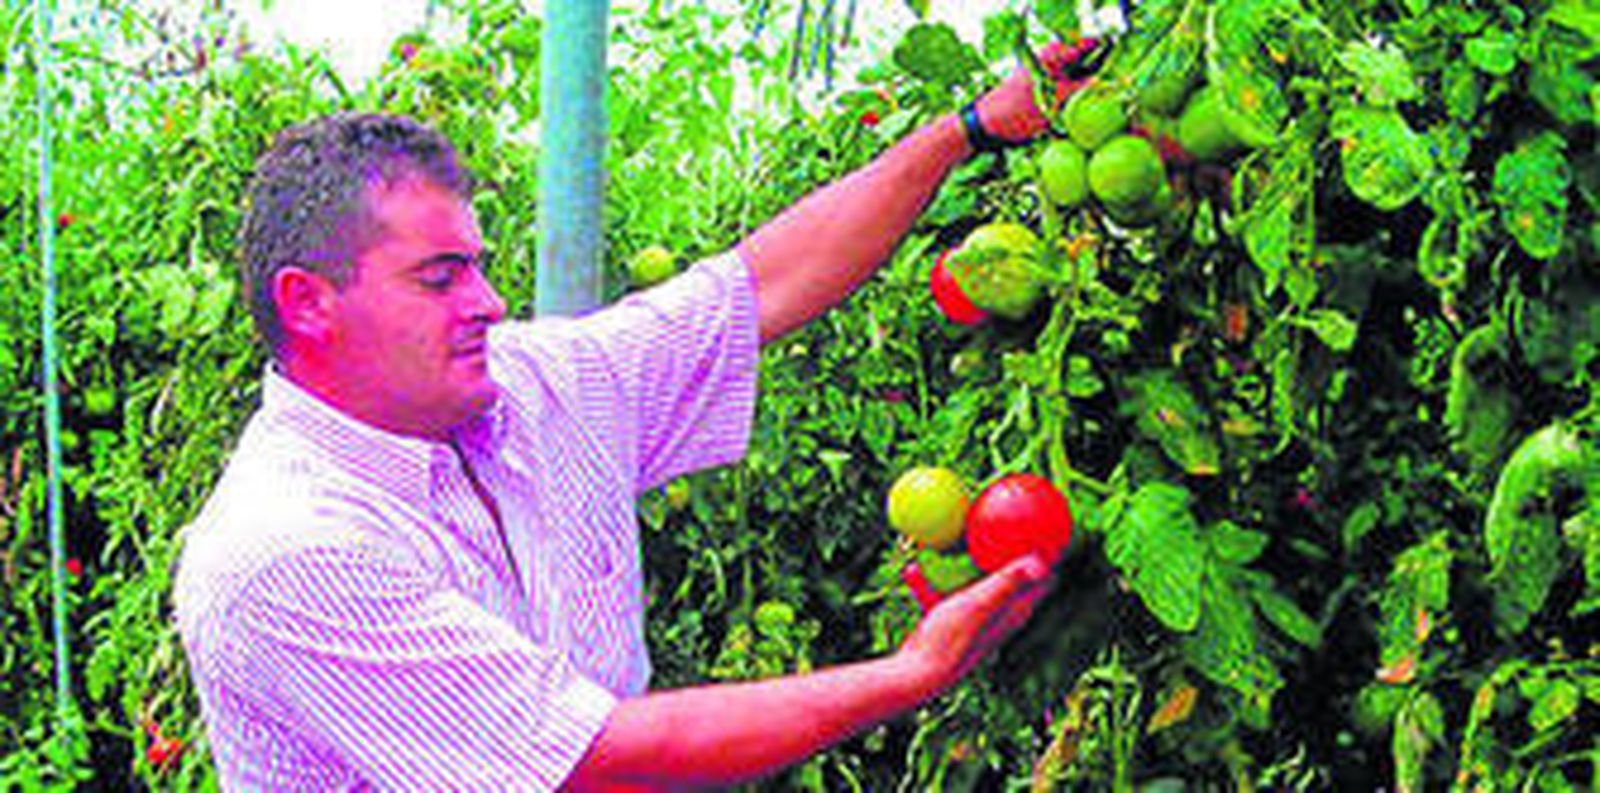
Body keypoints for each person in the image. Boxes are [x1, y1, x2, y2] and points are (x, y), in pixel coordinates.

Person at [173, 37, 1096, 791]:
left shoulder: (529, 388)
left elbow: (759, 285)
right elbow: (592, 759)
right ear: (308, 304)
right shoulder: (285, 552)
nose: (490, 302)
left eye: (482, 265)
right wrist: (911, 673)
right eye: (441, 276)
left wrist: (967, 130)